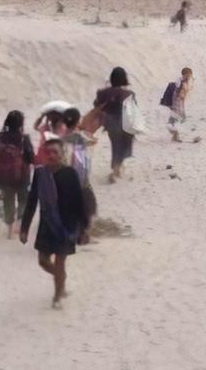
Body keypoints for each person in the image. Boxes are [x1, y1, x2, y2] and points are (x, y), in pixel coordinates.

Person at [20, 138, 88, 309]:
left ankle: (57, 296)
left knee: (60, 262)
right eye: (47, 152)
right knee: (43, 261)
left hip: (66, 226)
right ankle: (60, 279)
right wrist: (24, 228)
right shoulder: (40, 174)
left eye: (54, 152)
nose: (51, 156)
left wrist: (84, 228)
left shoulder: (70, 173)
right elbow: (32, 201)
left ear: (61, 154)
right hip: (46, 224)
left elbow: (79, 201)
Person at [0, 111, 36, 239]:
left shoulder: (0, 137)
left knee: (8, 201)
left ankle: (9, 231)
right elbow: (30, 157)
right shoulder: (24, 138)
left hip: (4, 176)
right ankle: (19, 222)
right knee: (23, 199)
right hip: (22, 175)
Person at [94, 67, 136, 183]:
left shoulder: (103, 93)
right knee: (125, 147)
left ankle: (116, 169)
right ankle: (116, 169)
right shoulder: (129, 94)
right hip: (126, 124)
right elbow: (133, 111)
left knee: (115, 146)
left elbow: (96, 105)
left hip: (111, 123)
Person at [63, 107, 98, 243]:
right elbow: (93, 141)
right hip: (79, 178)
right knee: (88, 205)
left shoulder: (61, 137)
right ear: (77, 121)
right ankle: (82, 234)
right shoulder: (79, 136)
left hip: (64, 179)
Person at [164, 67, 195, 142]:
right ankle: (175, 134)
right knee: (175, 118)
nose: (190, 76)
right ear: (185, 74)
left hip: (180, 101)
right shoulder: (181, 81)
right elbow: (178, 91)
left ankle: (175, 135)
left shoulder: (184, 81)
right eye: (189, 75)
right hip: (177, 102)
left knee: (178, 118)